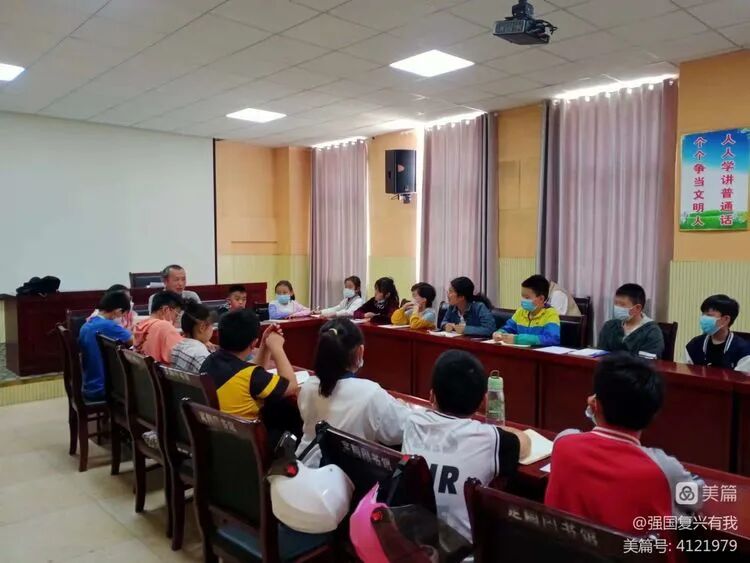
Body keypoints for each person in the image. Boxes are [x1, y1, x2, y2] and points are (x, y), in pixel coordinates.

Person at [545, 353, 701, 545]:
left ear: (594, 404)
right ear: (652, 414)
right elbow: (695, 499)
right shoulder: (665, 469)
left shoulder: (564, 442)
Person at [402, 350, 531, 540]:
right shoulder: (489, 438)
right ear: (483, 402)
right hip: (463, 551)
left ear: (431, 396)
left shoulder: (412, 423)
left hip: (410, 543)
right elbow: (525, 443)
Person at [296, 319, 411, 467]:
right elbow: (403, 429)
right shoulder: (370, 393)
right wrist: (401, 406)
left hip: (302, 468)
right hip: (343, 477)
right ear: (360, 351)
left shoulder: (308, 386)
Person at [200, 309, 298, 420]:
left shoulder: (210, 361)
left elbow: (249, 371)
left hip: (220, 427)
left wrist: (265, 343)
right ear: (253, 343)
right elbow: (291, 387)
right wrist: (277, 348)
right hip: (249, 429)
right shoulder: (251, 376)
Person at [79, 290, 134, 402]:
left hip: (89, 384)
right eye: (123, 315)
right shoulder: (108, 326)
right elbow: (134, 341)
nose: (122, 318)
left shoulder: (88, 324)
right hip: (103, 388)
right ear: (118, 311)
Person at [685, 294, 750, 372]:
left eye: (709, 315)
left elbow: (740, 378)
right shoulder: (694, 344)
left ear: (726, 319)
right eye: (703, 314)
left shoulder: (744, 350)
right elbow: (684, 373)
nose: (703, 319)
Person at [598, 283, 664, 358]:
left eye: (622, 304)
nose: (617, 308)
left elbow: (647, 362)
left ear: (637, 308)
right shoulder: (609, 326)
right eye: (616, 303)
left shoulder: (651, 332)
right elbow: (599, 356)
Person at [494, 275, 561, 346]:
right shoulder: (521, 311)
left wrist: (517, 339)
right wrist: (499, 333)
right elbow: (508, 328)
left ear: (541, 299)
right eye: (522, 296)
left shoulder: (551, 314)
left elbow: (552, 339)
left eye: (527, 297)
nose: (523, 300)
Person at [134, 290, 184, 364]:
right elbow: (183, 355)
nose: (175, 319)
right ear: (165, 309)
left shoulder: (141, 325)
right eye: (176, 315)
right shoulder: (163, 326)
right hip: (162, 370)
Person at [170, 301, 216, 373]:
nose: (212, 329)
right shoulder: (203, 357)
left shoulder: (176, 348)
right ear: (202, 327)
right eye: (212, 325)